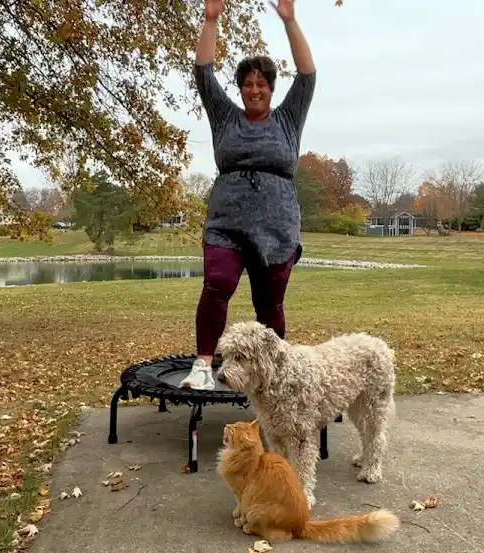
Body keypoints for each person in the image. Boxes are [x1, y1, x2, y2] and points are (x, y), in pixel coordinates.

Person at [180, 0, 316, 390]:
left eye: (261, 84)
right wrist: (211, 19)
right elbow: (203, 73)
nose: (254, 90)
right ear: (240, 89)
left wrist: (290, 21)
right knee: (217, 284)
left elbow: (307, 75)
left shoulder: (288, 119)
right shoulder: (226, 117)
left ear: (271, 89)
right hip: (227, 223)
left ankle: (272, 375)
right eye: (248, 84)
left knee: (269, 304)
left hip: (276, 228)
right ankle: (203, 365)